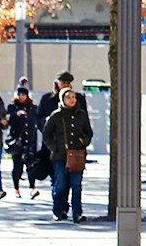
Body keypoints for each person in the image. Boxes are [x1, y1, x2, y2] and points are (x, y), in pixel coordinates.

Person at [43, 87, 92, 224]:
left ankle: (77, 213)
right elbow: (46, 134)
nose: (72, 100)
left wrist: (83, 142)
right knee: (60, 184)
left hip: (77, 155)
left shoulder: (81, 115)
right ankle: (58, 211)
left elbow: (88, 132)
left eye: (73, 97)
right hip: (60, 156)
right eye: (68, 97)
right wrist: (55, 147)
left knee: (76, 185)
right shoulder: (56, 115)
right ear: (62, 99)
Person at [7, 85, 42, 199]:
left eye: (23, 95)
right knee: (17, 166)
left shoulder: (33, 108)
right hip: (17, 141)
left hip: (30, 141)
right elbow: (8, 122)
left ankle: (32, 188)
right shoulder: (12, 108)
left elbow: (39, 123)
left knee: (31, 165)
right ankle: (16, 189)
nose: (21, 97)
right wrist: (16, 115)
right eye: (19, 95)